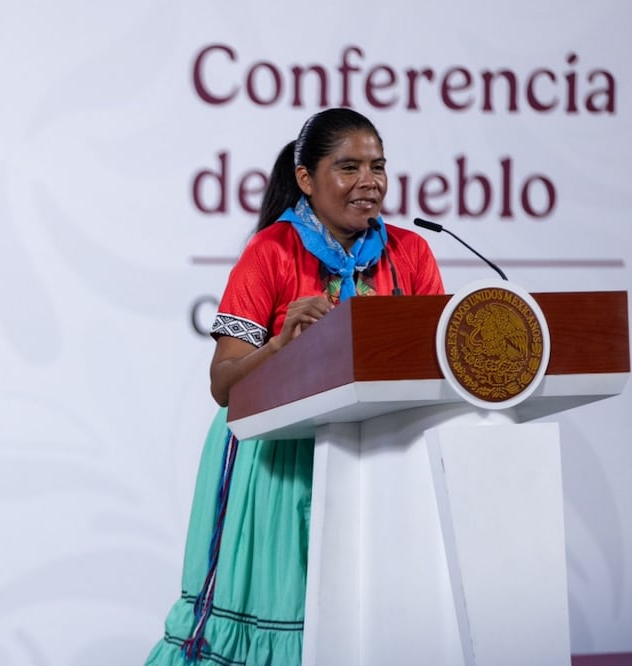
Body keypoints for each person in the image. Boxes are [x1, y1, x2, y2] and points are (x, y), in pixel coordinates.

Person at [144, 108, 444, 664]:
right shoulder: (272, 251)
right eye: (348, 166)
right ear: (306, 178)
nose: (369, 181)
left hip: (378, 454)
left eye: (377, 166)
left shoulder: (412, 254)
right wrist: (282, 347)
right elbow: (222, 384)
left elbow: (430, 359)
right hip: (278, 464)